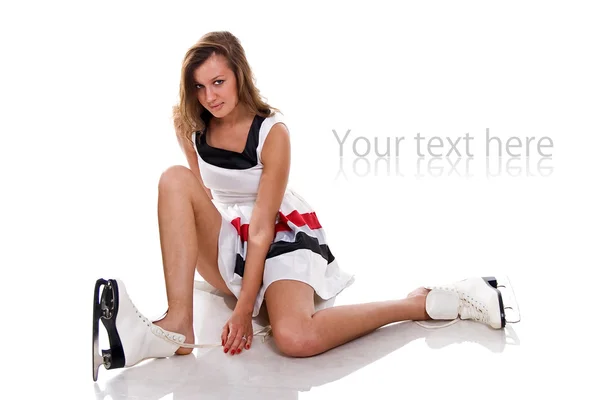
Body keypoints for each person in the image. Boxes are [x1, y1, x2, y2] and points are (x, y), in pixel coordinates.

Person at [92, 31, 517, 381]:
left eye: (218, 82)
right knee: (172, 178)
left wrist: (243, 311)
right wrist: (220, 252)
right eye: (199, 86)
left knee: (295, 339)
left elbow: (261, 228)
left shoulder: (273, 132)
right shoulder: (189, 122)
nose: (209, 96)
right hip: (230, 234)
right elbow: (197, 195)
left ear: (239, 75)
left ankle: (421, 302)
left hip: (278, 232)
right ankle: (177, 324)